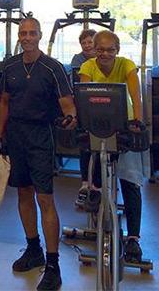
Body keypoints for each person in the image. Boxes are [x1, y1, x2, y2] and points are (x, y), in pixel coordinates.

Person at [0, 17, 76, 291]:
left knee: (45, 198)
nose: (27, 37)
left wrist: (71, 117)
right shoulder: (11, 66)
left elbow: (67, 103)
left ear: (39, 36)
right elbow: (4, 102)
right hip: (15, 135)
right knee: (23, 193)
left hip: (41, 136)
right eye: (23, 33)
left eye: (32, 33)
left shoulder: (53, 68)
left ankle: (53, 265)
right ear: (19, 36)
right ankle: (33, 249)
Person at [76, 30, 146, 263]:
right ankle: (95, 198)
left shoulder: (126, 65)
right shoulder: (88, 66)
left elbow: (136, 96)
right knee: (95, 169)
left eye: (110, 49)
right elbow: (83, 96)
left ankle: (133, 238)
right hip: (97, 126)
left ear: (117, 50)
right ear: (94, 49)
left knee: (129, 182)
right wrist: (83, 124)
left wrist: (138, 120)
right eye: (100, 49)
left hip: (123, 125)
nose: (105, 53)